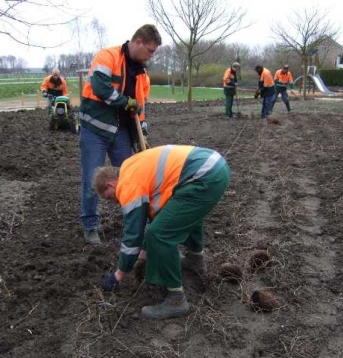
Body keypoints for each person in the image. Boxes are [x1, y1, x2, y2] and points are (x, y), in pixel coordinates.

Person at [94, 145, 230, 319]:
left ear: (111, 184)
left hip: (204, 176)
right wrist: (142, 256)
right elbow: (158, 218)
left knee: (160, 236)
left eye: (109, 197)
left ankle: (176, 301)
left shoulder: (127, 185)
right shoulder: (132, 167)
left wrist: (119, 274)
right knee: (181, 214)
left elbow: (133, 234)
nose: (114, 202)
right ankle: (196, 260)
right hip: (214, 167)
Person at [78, 24, 162, 245]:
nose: (151, 56)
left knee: (131, 177)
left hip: (122, 132)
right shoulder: (108, 57)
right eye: (150, 51)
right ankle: (90, 226)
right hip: (95, 130)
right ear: (138, 42)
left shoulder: (143, 76)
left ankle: (136, 221)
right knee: (91, 178)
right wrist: (126, 102)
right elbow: (100, 88)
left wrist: (142, 133)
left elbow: (140, 108)